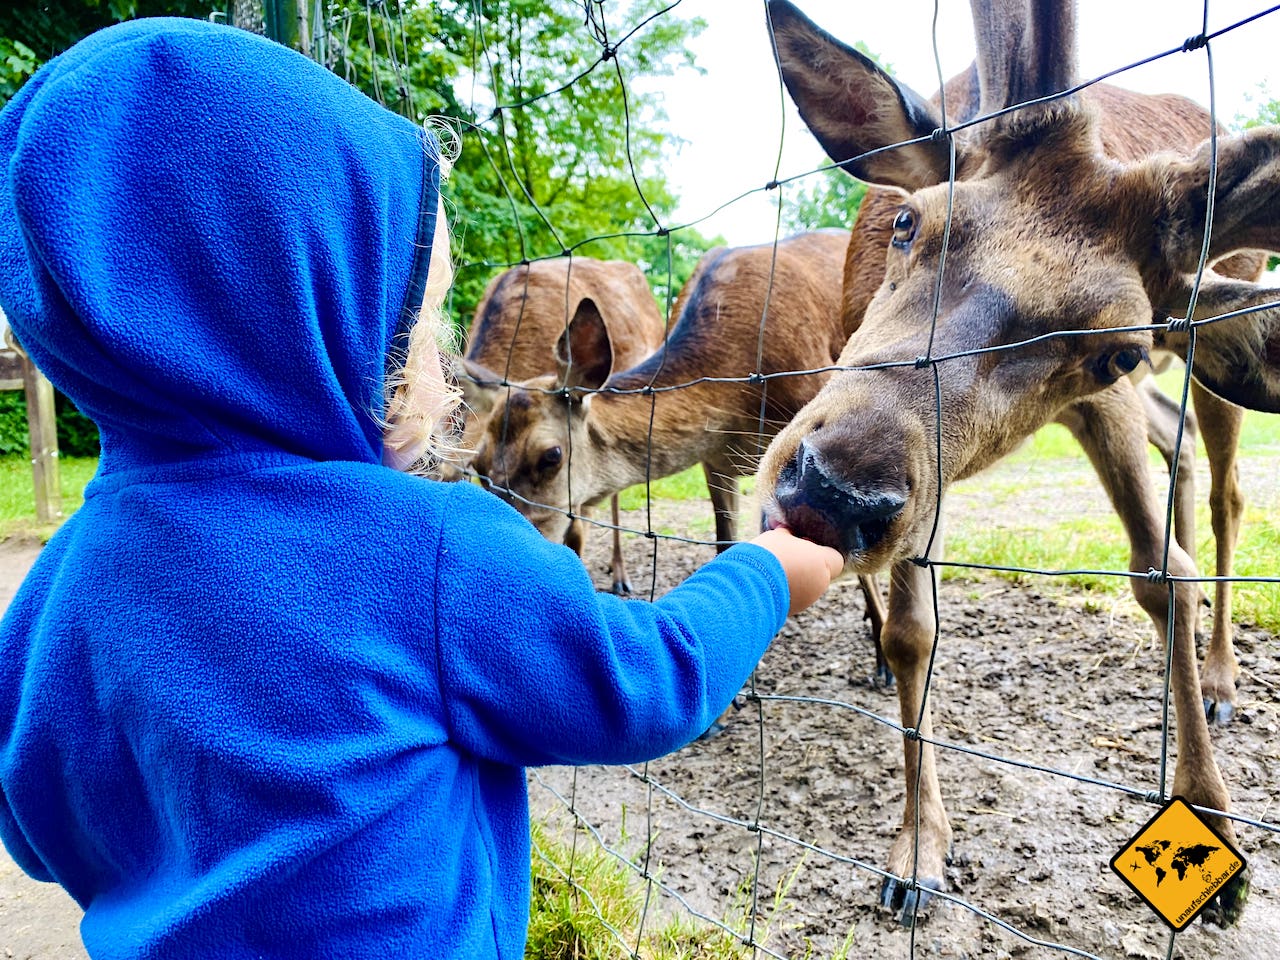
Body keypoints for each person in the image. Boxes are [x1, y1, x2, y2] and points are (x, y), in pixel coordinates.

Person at [0, 16, 843, 960]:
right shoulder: (427, 547)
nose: (449, 368)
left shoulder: (51, 595)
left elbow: (33, 831)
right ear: (306, 316)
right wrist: (767, 572)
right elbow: (649, 681)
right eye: (422, 323)